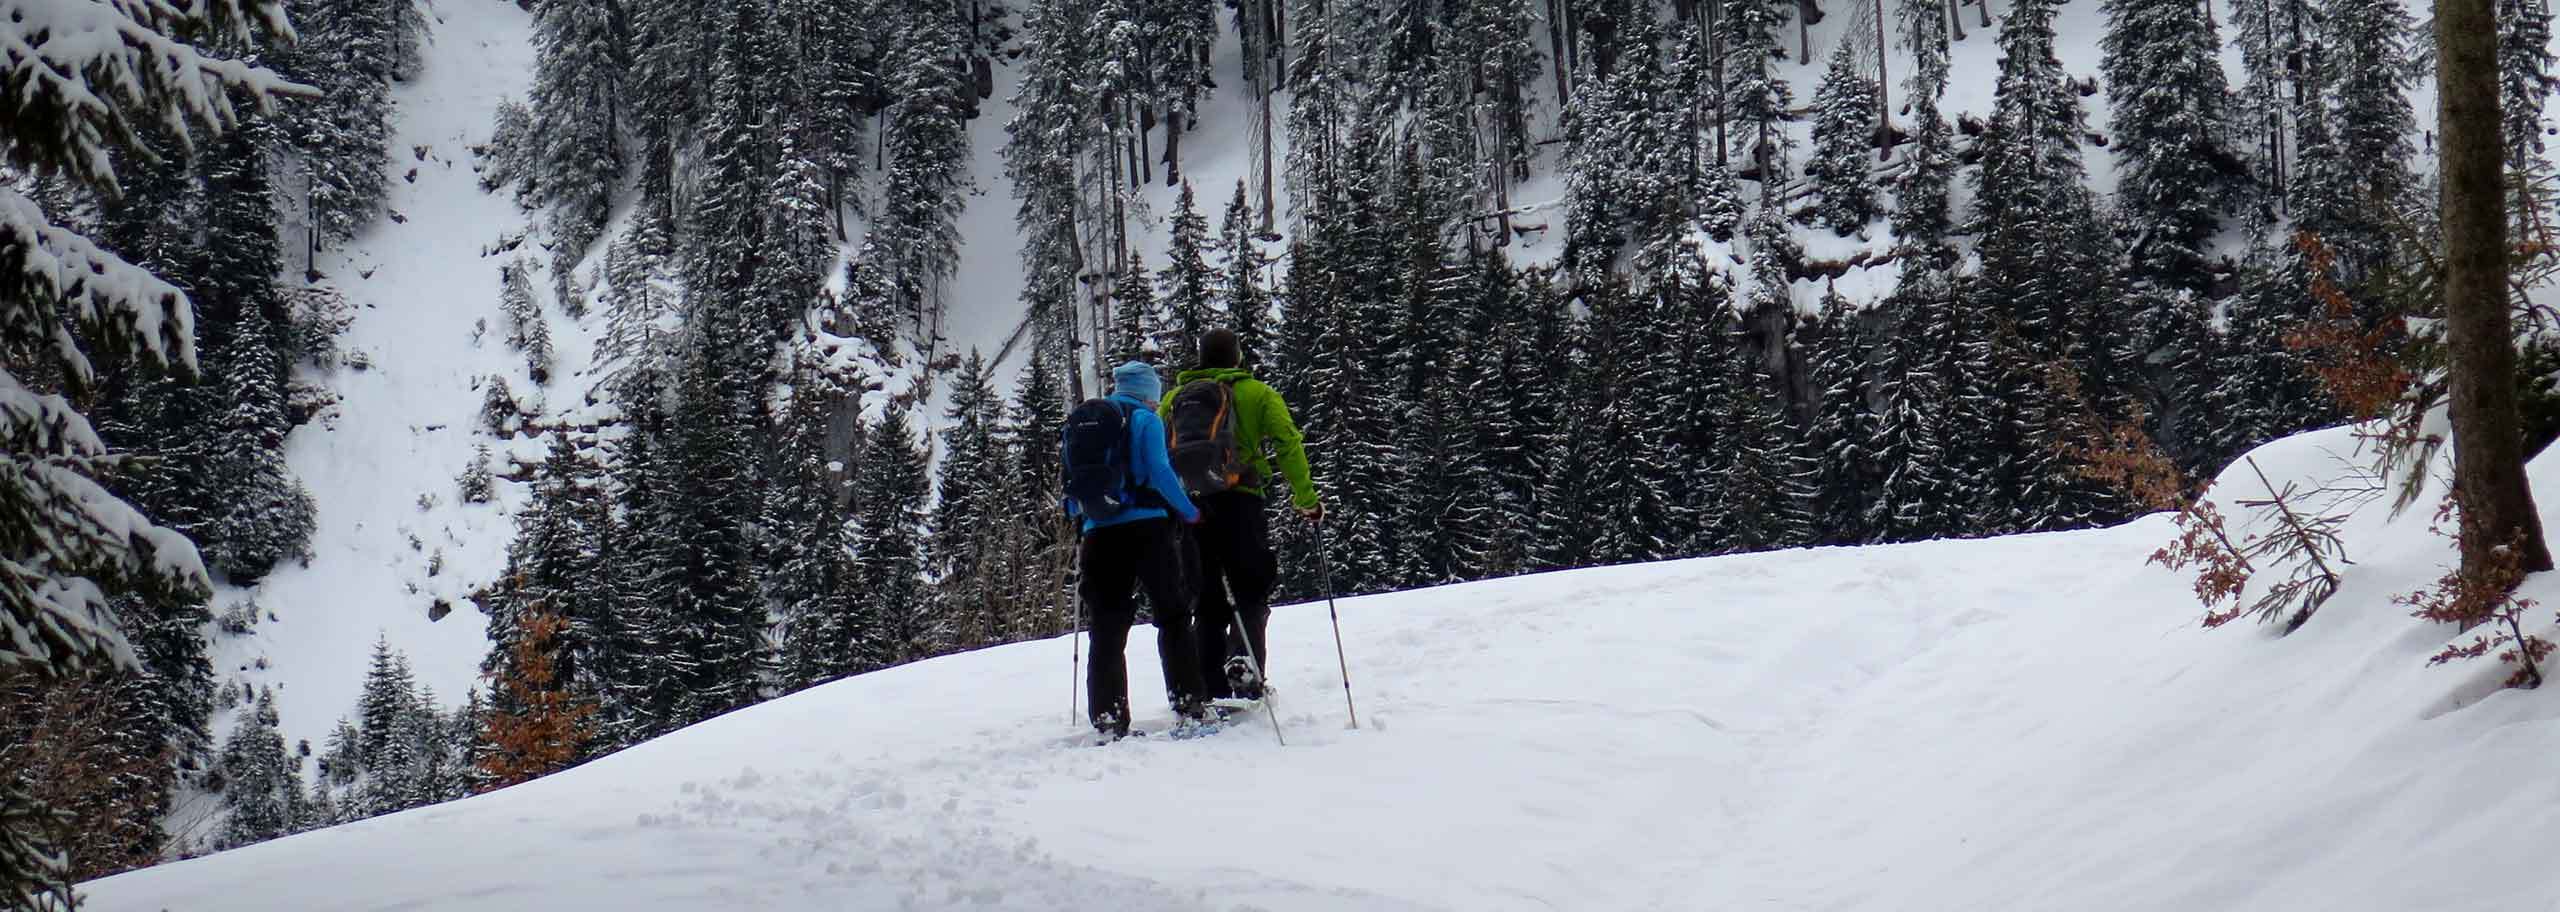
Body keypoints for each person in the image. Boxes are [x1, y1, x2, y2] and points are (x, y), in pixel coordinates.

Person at [1162, 329, 1319, 703]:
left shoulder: (1172, 400)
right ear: (1237, 357)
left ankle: (1210, 686)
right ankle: (1244, 663)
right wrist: (1306, 498)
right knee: (1250, 588)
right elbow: (1287, 441)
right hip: (1242, 500)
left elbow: (1158, 456)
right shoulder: (1256, 393)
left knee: (1207, 597)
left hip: (1192, 509)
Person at [1069, 361, 1209, 739]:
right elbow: (1161, 473)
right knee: (1173, 614)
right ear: (1150, 390)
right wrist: (1191, 512)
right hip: (1148, 529)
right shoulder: (1145, 420)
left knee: (1107, 626)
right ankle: (1188, 700)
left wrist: (1083, 519)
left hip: (1098, 533)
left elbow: (1073, 486)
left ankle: (1108, 717)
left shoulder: (1088, 421)